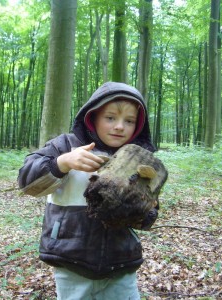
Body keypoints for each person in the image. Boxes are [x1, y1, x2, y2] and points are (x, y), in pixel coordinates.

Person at [18, 81, 159, 300]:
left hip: (121, 263)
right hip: (71, 259)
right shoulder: (65, 145)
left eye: (129, 121)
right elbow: (26, 181)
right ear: (92, 116)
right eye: (110, 118)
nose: (120, 126)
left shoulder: (138, 160)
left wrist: (140, 208)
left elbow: (148, 216)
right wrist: (62, 162)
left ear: (139, 126)